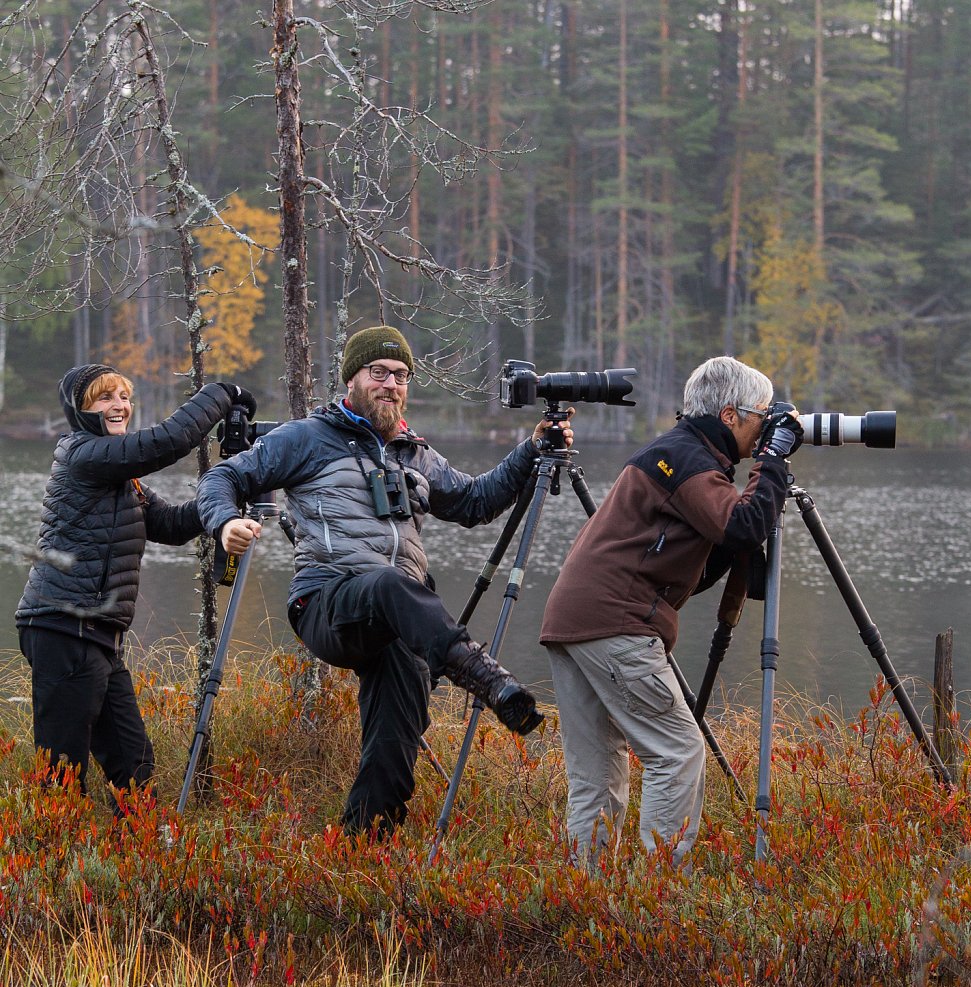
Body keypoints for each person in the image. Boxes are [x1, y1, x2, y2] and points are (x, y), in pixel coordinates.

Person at [195, 325, 570, 835]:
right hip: (328, 602)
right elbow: (223, 478)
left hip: (397, 624)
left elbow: (476, 502)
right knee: (390, 583)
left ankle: (363, 851)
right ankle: (488, 681)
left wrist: (530, 452)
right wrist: (225, 522)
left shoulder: (413, 452)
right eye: (379, 373)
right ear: (352, 378)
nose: (391, 384)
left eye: (401, 376)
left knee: (394, 750)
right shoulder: (308, 437)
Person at [539, 355, 801, 870]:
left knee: (597, 774)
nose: (766, 426)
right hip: (614, 623)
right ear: (730, 415)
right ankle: (655, 900)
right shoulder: (689, 461)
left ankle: (583, 896)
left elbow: (694, 567)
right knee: (678, 753)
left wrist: (740, 524)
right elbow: (745, 526)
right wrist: (773, 462)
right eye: (762, 416)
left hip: (573, 623)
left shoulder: (678, 454)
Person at [16, 363, 254, 805]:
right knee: (62, 774)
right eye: (106, 398)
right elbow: (167, 442)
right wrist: (224, 393)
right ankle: (44, 862)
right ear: (82, 410)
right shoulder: (82, 454)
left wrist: (232, 490)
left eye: (124, 397)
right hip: (63, 627)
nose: (120, 406)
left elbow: (174, 523)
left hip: (98, 635)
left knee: (133, 764)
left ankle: (137, 864)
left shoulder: (123, 481)